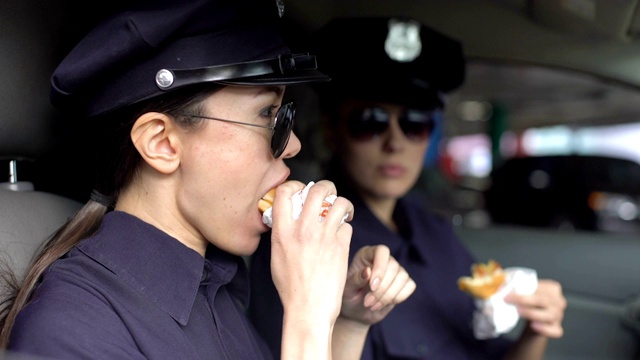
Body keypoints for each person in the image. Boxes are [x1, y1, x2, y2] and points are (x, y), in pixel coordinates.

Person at [0, 3, 417, 359]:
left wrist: (345, 321)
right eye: (268, 117)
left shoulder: (219, 286)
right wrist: (308, 313)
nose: (292, 144)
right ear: (162, 143)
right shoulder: (73, 331)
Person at [249, 16, 567, 359]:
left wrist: (537, 329)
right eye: (371, 122)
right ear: (331, 130)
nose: (395, 143)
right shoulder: (301, 240)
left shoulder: (437, 234)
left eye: (414, 124)